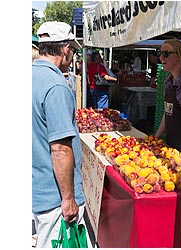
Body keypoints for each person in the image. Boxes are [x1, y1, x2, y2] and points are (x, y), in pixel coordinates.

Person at [32, 21, 86, 248]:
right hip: (52, 197)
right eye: (72, 50)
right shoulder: (56, 86)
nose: (72, 55)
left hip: (36, 187)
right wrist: (68, 199)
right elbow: (60, 149)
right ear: (64, 49)